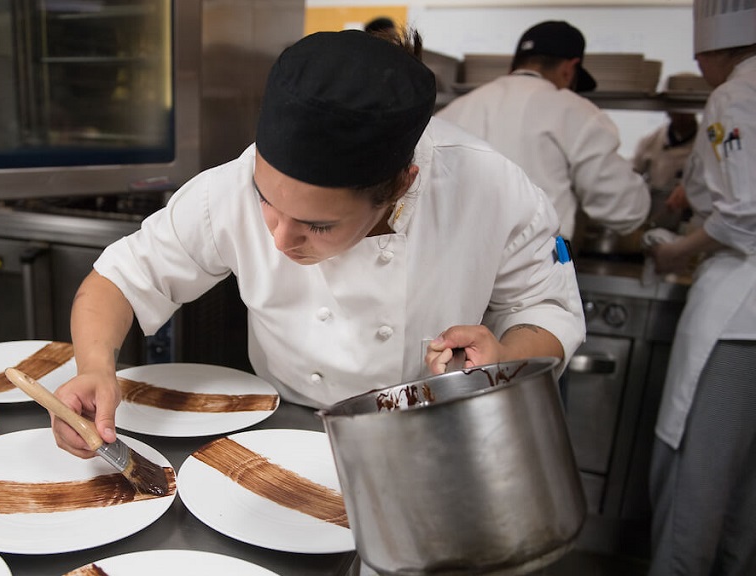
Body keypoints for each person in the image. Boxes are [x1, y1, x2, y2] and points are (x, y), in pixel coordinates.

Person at [50, 29, 586, 460]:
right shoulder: (229, 187)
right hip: (284, 430)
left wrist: (503, 359)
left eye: (318, 226)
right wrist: (94, 366)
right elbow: (122, 278)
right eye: (266, 200)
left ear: (399, 186)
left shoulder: (491, 189)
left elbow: (547, 308)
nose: (279, 239)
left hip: (433, 439)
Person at [646, 0, 756, 573]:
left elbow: (745, 214)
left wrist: (673, 250)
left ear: (715, 50)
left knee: (700, 472)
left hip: (739, 316)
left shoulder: (735, 94)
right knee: (746, 485)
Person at [437, 20, 651, 241]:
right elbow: (624, 209)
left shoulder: (454, 110)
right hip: (532, 268)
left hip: (450, 262)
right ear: (569, 69)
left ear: (513, 67)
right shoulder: (574, 111)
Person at [633, 111, 699, 230]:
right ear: (668, 113)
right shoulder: (651, 141)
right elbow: (633, 175)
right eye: (676, 113)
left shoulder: (706, 142)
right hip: (658, 210)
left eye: (685, 113)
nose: (681, 117)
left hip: (694, 213)